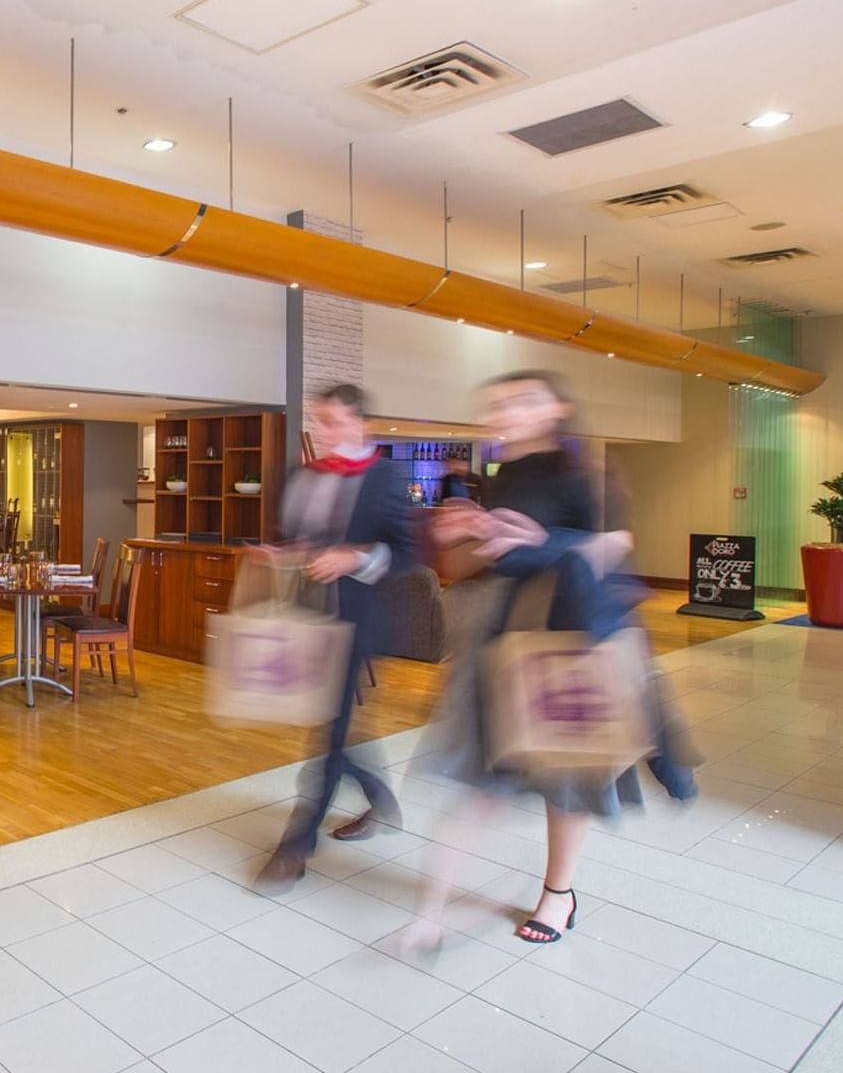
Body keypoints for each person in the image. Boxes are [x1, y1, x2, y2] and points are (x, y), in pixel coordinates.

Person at [405, 370, 694, 947]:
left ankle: (558, 895)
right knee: (487, 773)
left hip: (572, 639)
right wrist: (470, 534)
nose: (506, 411)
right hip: (511, 637)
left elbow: (615, 548)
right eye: (499, 402)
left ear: (556, 409)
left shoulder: (584, 471)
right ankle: (430, 914)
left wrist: (535, 539)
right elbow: (495, 560)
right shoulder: (505, 474)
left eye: (523, 400)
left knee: (565, 777)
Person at [258, 383, 415, 887]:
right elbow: (295, 537)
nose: (324, 431)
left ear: (360, 423)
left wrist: (355, 557)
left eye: (334, 421)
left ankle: (296, 846)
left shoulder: (384, 476)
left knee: (329, 730)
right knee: (333, 725)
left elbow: (407, 552)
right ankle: (379, 798)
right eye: (320, 420)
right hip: (305, 615)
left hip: (354, 618)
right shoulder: (303, 473)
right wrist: (279, 554)